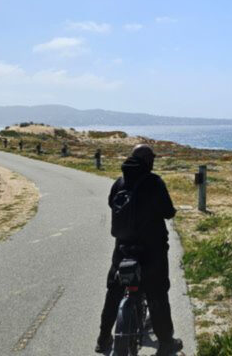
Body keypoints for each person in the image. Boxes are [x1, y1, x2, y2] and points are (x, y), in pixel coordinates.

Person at [96, 144, 183, 355]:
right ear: (148, 161)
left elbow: (111, 204)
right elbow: (168, 212)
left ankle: (103, 338)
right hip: (151, 250)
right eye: (151, 158)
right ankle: (165, 343)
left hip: (123, 248)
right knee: (157, 294)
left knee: (114, 291)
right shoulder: (154, 182)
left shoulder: (120, 182)